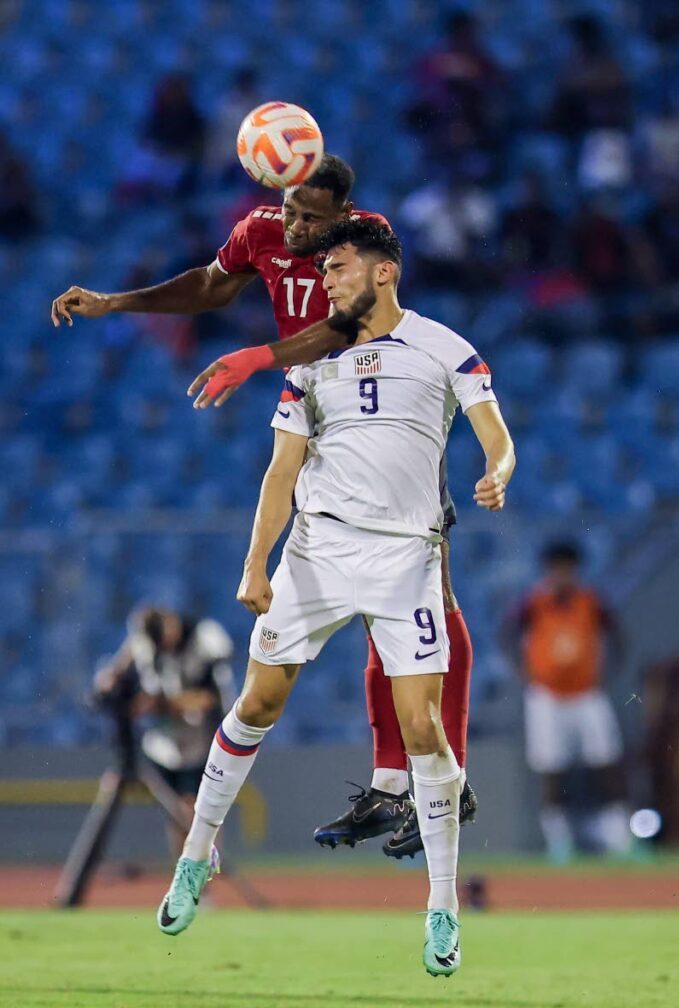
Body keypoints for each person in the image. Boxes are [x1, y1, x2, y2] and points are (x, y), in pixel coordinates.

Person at [50, 154, 478, 858]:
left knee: (422, 596)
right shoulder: (260, 232)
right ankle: (388, 782)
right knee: (377, 610)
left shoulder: (362, 243)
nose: (296, 226)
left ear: (342, 213)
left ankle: (442, 778)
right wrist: (113, 301)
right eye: (288, 211)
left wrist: (257, 355)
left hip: (382, 413)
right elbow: (211, 287)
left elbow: (351, 326)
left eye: (311, 216)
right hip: (318, 416)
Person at [156, 220, 515, 977]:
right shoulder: (307, 362)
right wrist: (256, 565)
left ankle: (442, 908)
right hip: (317, 551)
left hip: (404, 558)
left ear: (383, 273)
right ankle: (196, 856)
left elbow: (495, 433)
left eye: (339, 267)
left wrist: (498, 470)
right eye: (322, 271)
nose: (325, 280)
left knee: (424, 732)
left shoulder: (444, 347)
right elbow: (281, 472)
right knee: (254, 706)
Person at [504, 541, 630, 861]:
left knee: (607, 761)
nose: (562, 574)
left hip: (587, 693)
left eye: (567, 568)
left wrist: (607, 673)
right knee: (550, 768)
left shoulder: (590, 600)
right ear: (548, 570)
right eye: (556, 568)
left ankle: (622, 838)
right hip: (546, 696)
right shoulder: (534, 602)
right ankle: (559, 843)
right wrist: (524, 671)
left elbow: (618, 637)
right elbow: (507, 634)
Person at [94, 607, 234, 857]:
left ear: (171, 623)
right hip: (163, 742)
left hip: (200, 741)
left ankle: (203, 878)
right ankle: (184, 876)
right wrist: (110, 681)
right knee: (175, 813)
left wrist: (160, 704)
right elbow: (118, 669)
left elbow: (214, 699)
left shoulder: (206, 640)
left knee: (195, 810)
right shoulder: (144, 643)